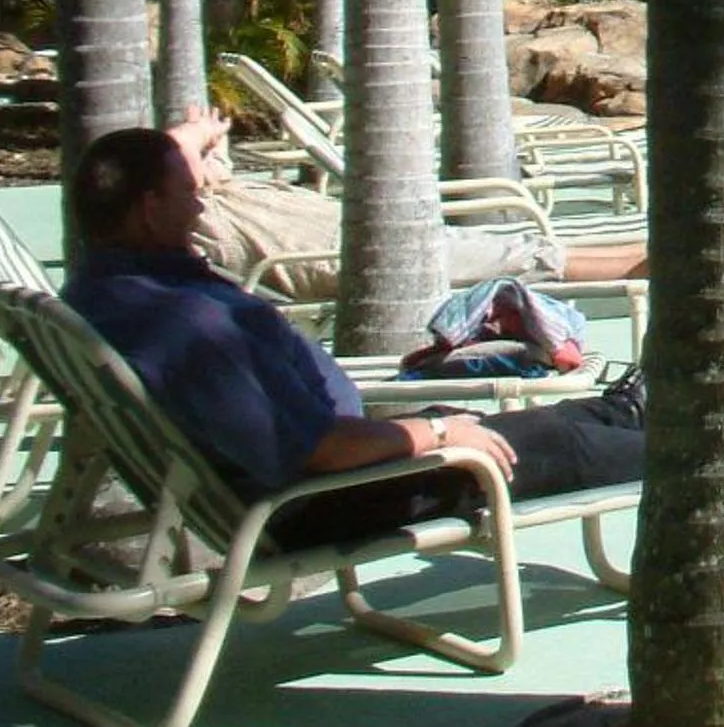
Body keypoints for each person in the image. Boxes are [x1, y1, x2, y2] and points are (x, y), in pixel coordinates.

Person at [62, 125, 646, 545]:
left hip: (338, 467)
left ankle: (627, 411)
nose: (199, 208)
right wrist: (437, 431)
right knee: (556, 444)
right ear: (149, 209)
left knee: (552, 422)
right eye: (190, 194)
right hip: (321, 496)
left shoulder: (104, 290)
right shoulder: (185, 326)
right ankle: (688, 451)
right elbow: (319, 450)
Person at [170, 106, 649, 297]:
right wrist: (195, 133)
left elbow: (198, 163)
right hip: (363, 260)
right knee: (524, 255)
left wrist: (204, 141)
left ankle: (650, 255)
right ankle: (648, 267)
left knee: (522, 245)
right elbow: (176, 152)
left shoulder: (210, 198)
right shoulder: (203, 224)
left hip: (375, 239)